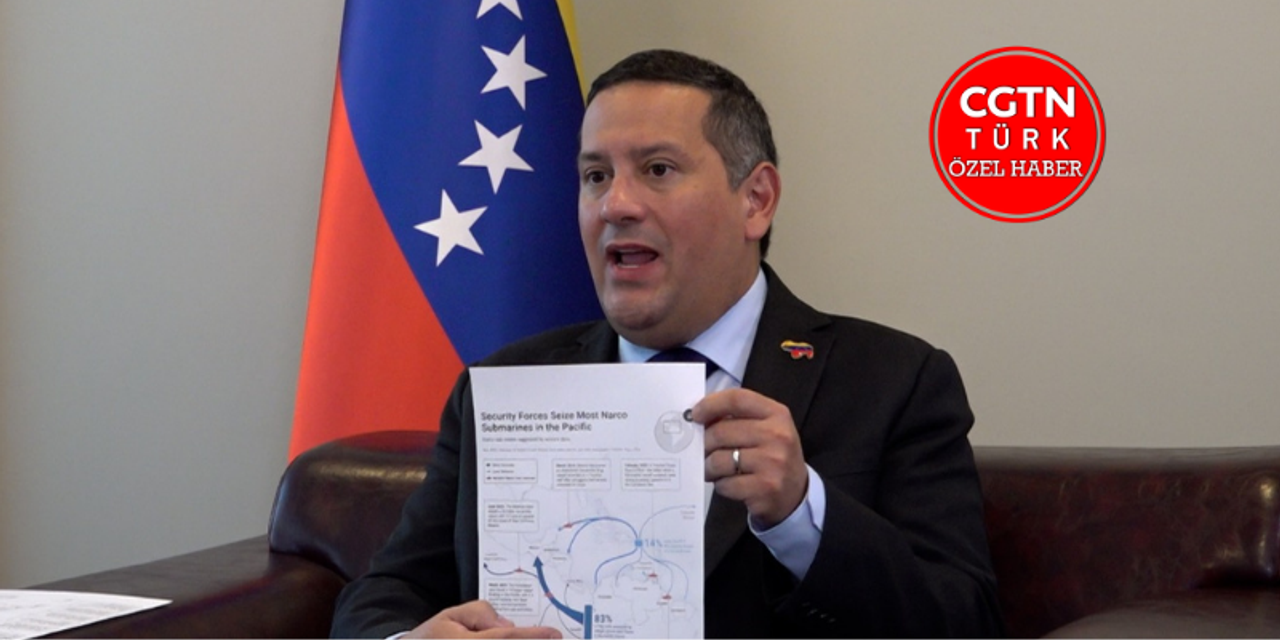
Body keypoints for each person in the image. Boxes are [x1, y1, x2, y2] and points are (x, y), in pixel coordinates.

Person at [330, 49, 1004, 638]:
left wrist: (803, 512)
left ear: (756, 200)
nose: (615, 204)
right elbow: (385, 593)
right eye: (596, 176)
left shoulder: (895, 380)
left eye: (656, 169)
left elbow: (964, 622)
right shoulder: (503, 388)